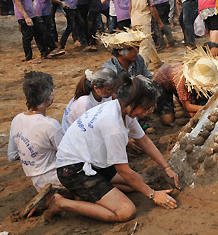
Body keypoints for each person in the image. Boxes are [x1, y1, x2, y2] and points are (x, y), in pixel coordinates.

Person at [45, 75, 179, 222]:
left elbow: (144, 141)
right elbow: (123, 170)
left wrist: (167, 167)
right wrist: (153, 195)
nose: (146, 113)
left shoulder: (121, 108)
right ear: (132, 102)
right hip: (72, 169)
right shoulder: (113, 124)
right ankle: (62, 203)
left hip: (91, 161)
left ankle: (87, 193)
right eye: (145, 108)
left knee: (138, 182)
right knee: (126, 211)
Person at [8, 72, 64, 194]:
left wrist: (33, 155)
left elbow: (12, 156)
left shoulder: (17, 119)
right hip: (56, 179)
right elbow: (66, 153)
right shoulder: (50, 124)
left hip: (37, 182)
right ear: (48, 98)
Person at [153, 45, 218, 124]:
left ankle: (180, 100)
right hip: (162, 82)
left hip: (174, 81)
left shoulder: (204, 68)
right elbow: (188, 107)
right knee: (168, 121)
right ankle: (157, 104)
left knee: (191, 114)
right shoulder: (181, 79)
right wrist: (208, 108)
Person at [62, 68, 120, 132]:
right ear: (96, 88)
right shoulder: (84, 102)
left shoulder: (106, 95)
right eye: (109, 90)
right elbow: (85, 129)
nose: (112, 93)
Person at [130, 0, 164, 68]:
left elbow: (130, 7)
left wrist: (131, 19)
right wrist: (159, 22)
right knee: (144, 46)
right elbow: (152, 9)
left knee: (148, 42)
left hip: (135, 21)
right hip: (144, 21)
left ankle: (157, 62)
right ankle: (141, 68)